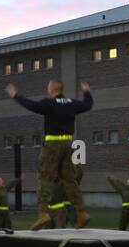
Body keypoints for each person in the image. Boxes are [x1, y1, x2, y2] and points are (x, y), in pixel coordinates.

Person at [7, 78, 92, 230]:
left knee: (44, 176)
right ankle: (82, 212)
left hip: (53, 145)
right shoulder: (71, 103)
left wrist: (16, 95)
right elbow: (87, 105)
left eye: (48, 89)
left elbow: (33, 106)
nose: (47, 91)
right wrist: (86, 92)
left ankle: (43, 214)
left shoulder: (50, 103)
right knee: (69, 179)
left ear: (52, 90)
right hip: (68, 144)